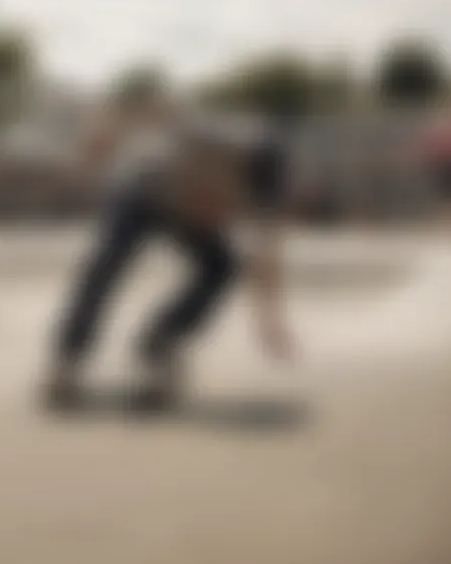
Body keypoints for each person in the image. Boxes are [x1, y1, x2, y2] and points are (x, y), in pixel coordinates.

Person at [44, 83, 295, 408]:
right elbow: (150, 107)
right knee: (107, 265)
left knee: (221, 267)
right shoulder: (217, 137)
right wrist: (101, 136)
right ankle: (68, 361)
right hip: (142, 192)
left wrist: (269, 319)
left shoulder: (267, 181)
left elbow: (267, 251)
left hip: (185, 210)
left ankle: (158, 349)